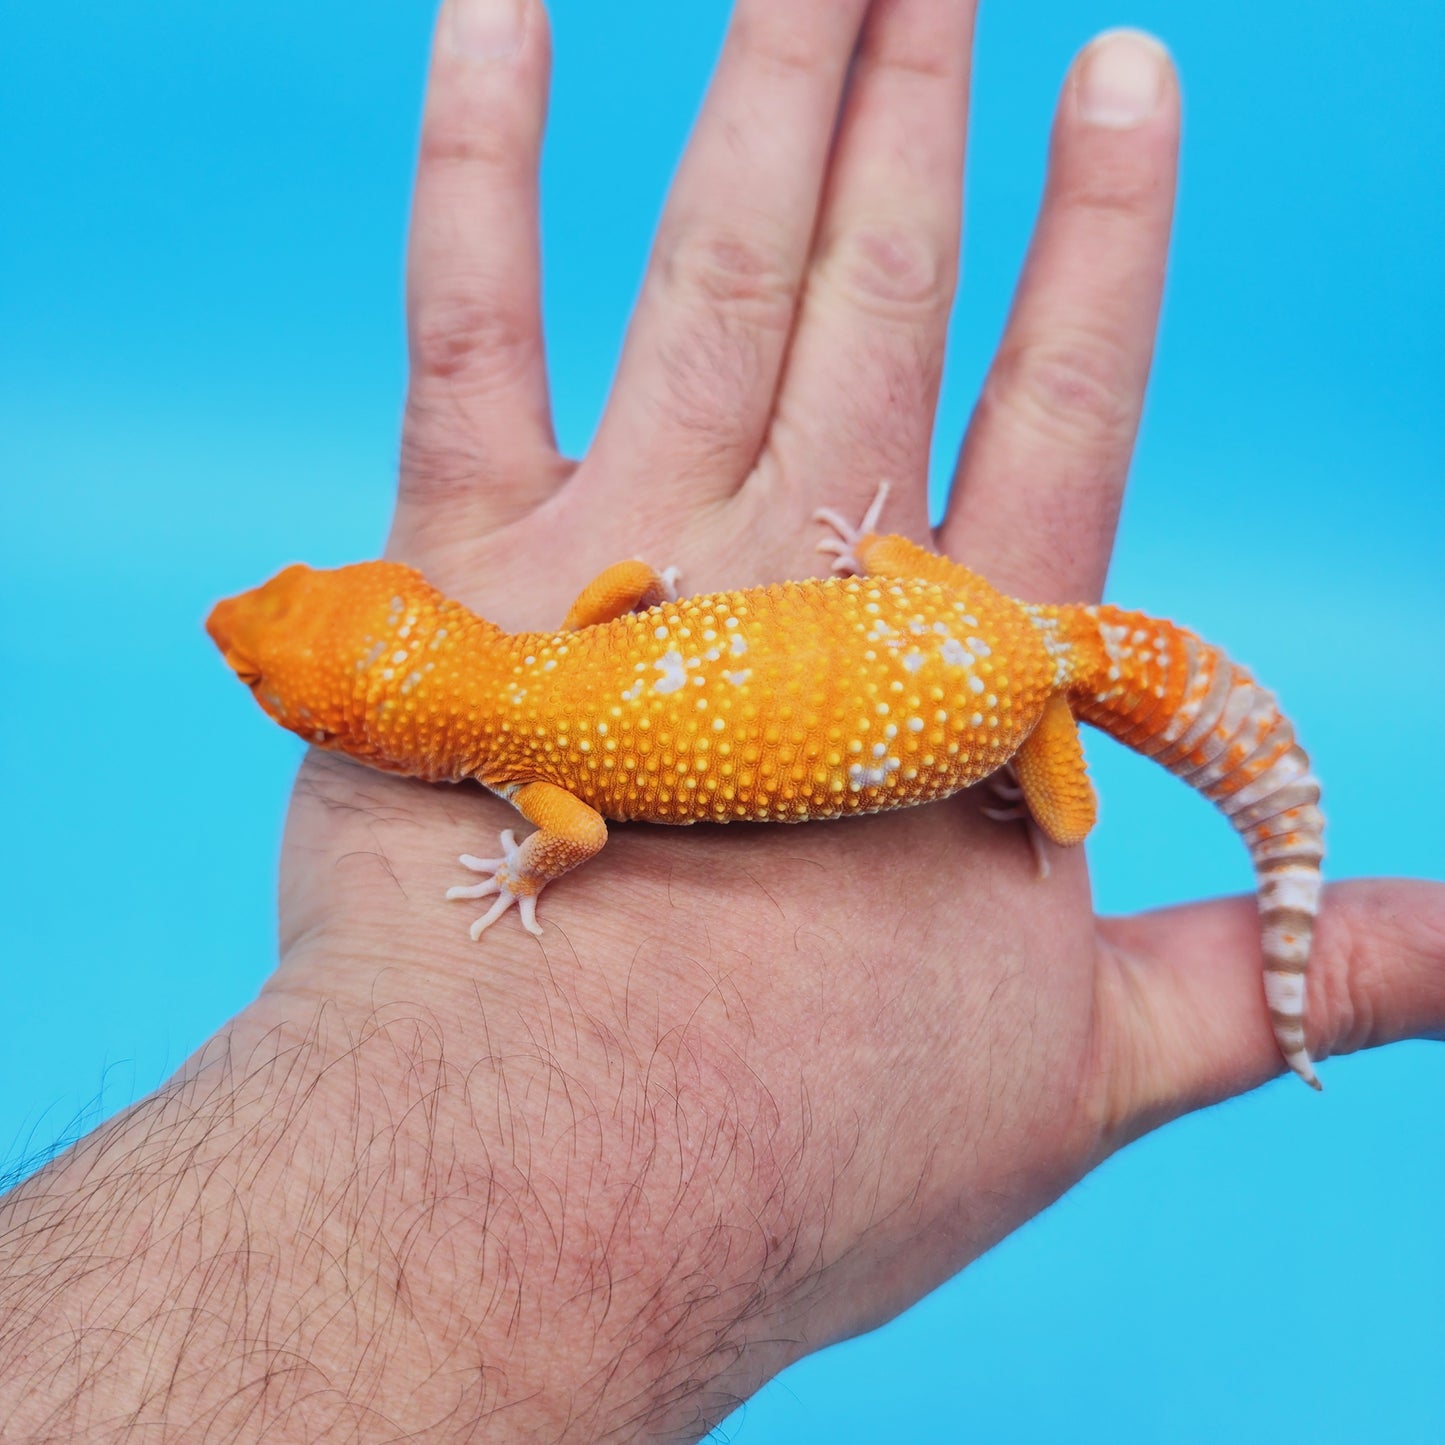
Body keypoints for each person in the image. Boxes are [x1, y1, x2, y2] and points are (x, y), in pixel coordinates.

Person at [1, 2, 1439, 1438]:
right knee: (1017, 693)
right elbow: (627, 585)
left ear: (381, 719)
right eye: (271, 659)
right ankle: (1056, 727)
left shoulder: (535, 768)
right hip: (935, 608)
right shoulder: (549, 658)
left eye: (272, 673)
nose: (240, 635)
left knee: (1063, 805)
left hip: (1022, 684)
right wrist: (850, 575)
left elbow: (569, 830)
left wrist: (521, 874)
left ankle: (1072, 780)